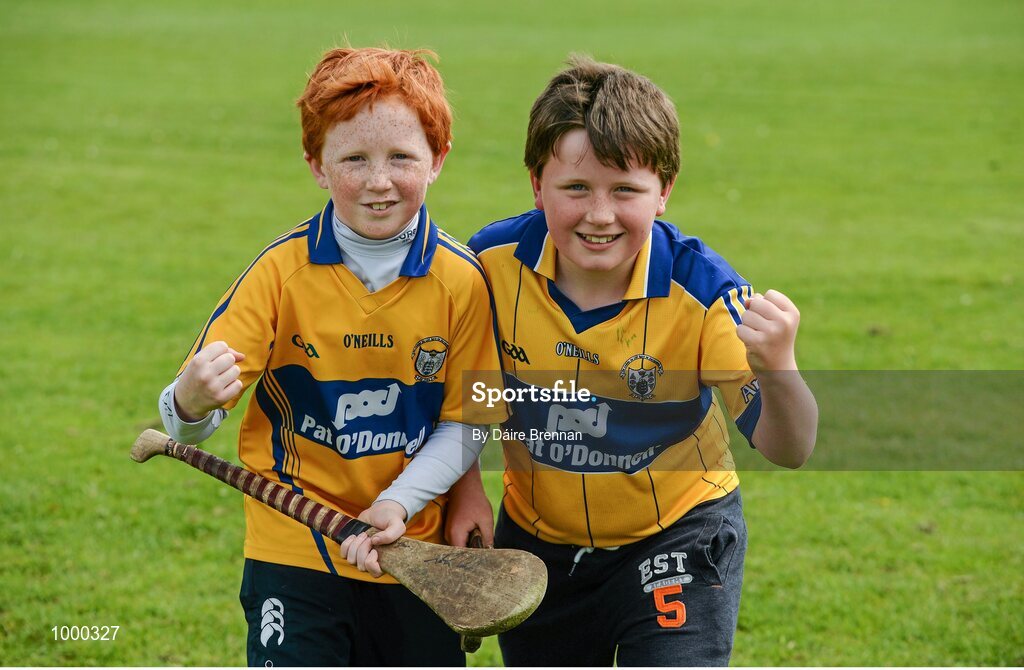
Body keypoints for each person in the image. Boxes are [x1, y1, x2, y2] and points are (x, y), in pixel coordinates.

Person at [463, 56, 818, 666]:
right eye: (575, 188)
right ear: (536, 185)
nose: (599, 215)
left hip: (678, 532)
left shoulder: (707, 293)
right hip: (537, 543)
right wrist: (466, 488)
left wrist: (779, 365)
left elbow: (791, 447)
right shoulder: (487, 266)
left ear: (664, 193)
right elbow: (470, 401)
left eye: (625, 189)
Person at [158, 47, 506, 667]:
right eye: (354, 159)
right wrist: (188, 401)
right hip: (293, 543)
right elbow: (189, 414)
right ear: (317, 166)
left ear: (438, 161)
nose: (379, 181)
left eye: (402, 157)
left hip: (411, 546)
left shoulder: (463, 282)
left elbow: (470, 419)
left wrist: (400, 502)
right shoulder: (279, 272)